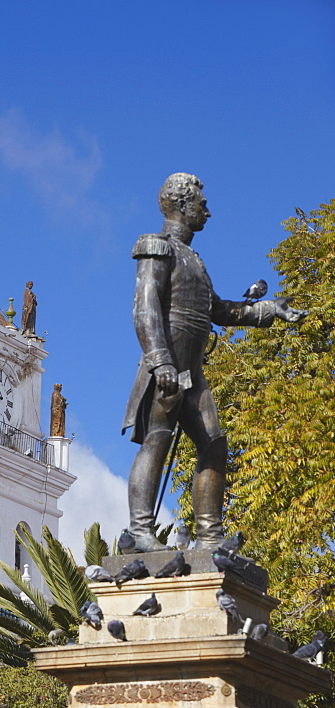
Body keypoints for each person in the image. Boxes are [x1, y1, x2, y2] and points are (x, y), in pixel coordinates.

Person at [122, 173, 306, 551]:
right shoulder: (157, 247)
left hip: (194, 373)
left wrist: (270, 310)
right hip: (169, 367)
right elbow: (145, 309)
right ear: (182, 205)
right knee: (157, 440)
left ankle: (209, 537)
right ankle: (140, 531)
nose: (208, 211)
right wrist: (160, 362)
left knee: (215, 444)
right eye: (202, 205)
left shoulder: (193, 260)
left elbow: (218, 310)